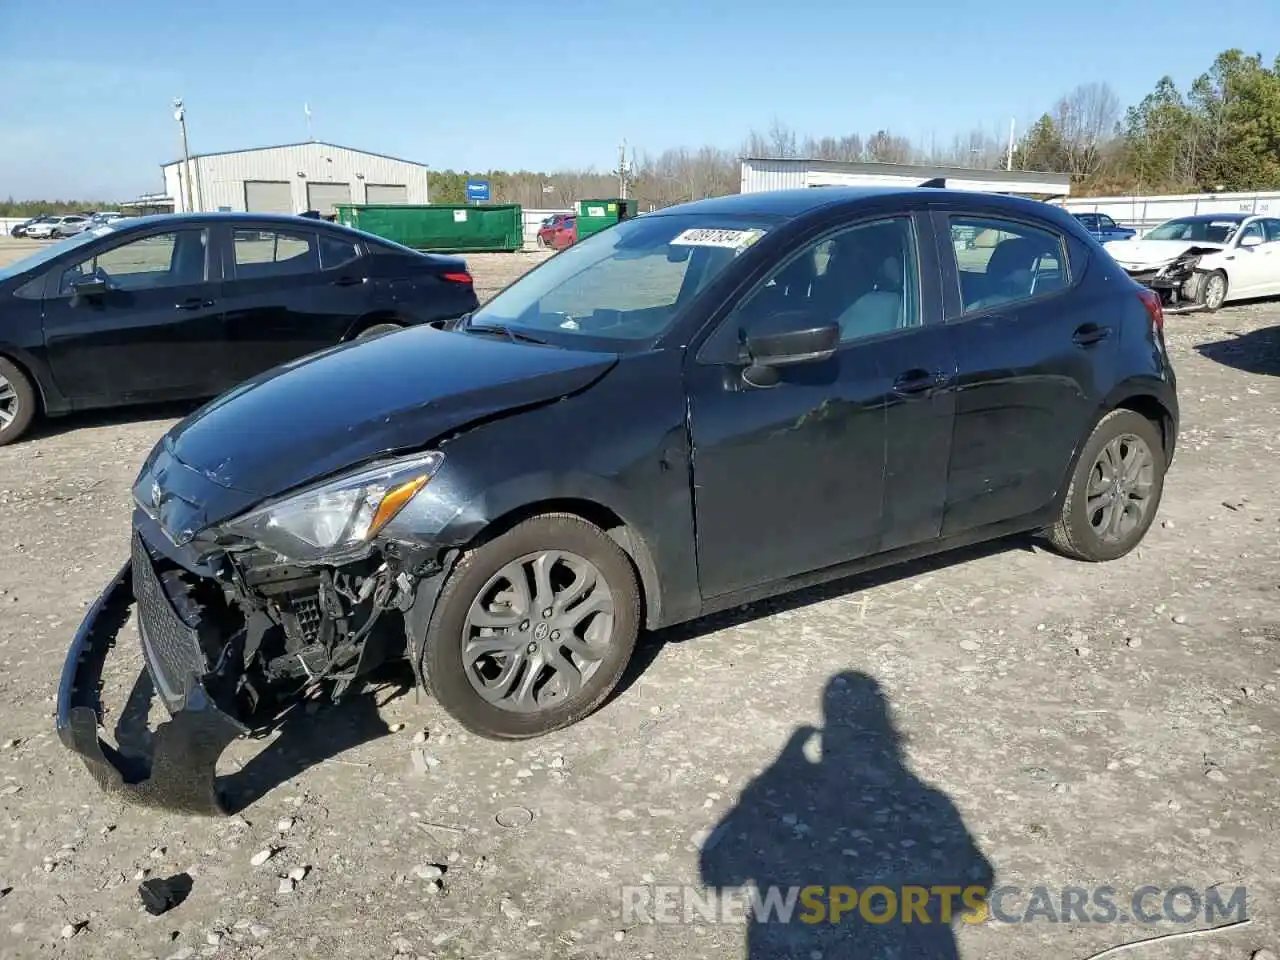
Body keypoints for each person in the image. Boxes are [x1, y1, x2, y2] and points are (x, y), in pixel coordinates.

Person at [700, 671, 993, 959]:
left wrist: (770, 780)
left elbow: (717, 873)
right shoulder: (932, 804)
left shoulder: (787, 794)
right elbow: (977, 880)